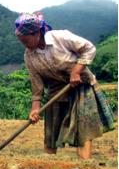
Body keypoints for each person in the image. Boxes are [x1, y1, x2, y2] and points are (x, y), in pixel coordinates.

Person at [14, 12, 114, 159]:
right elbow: (36, 82)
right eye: (21, 42)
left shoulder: (59, 38)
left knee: (83, 129)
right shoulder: (29, 55)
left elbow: (89, 48)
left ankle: (84, 166)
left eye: (26, 41)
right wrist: (35, 109)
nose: (24, 45)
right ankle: (48, 162)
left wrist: (76, 71)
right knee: (51, 130)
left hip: (81, 85)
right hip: (56, 88)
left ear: (36, 33)